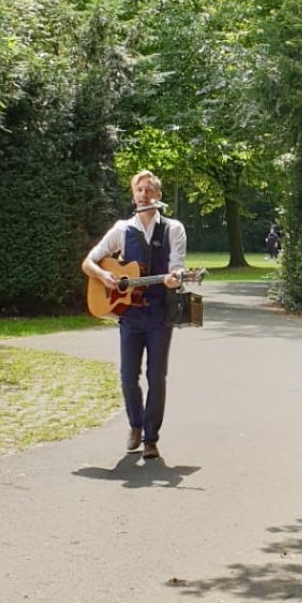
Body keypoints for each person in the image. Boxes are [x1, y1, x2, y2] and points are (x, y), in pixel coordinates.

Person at [81, 170, 188, 460]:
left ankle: (152, 438)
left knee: (157, 376)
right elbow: (89, 262)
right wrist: (105, 276)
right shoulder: (122, 229)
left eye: (149, 190)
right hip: (129, 314)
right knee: (128, 375)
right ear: (133, 195)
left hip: (158, 313)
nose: (144, 194)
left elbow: (177, 268)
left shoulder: (173, 229)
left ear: (159, 195)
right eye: (139, 190)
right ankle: (135, 426)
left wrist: (175, 278)